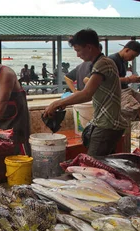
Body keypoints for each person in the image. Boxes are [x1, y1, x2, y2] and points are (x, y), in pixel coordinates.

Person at [44, 29, 127, 157]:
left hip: (107, 124)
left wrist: (57, 103)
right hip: (106, 122)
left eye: (78, 50)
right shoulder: (101, 63)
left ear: (88, 47)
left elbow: (86, 93)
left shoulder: (102, 64)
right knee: (104, 164)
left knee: (92, 165)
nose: (77, 55)